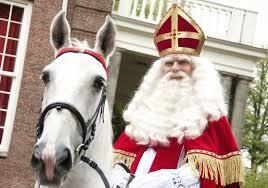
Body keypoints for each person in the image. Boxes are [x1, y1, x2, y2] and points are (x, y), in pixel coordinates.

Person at [111, 3, 244, 188]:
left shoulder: (210, 114)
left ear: (196, 70)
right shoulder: (144, 113)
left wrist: (165, 181)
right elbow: (121, 157)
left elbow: (210, 173)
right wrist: (118, 173)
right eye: (168, 63)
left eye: (183, 62)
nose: (174, 68)